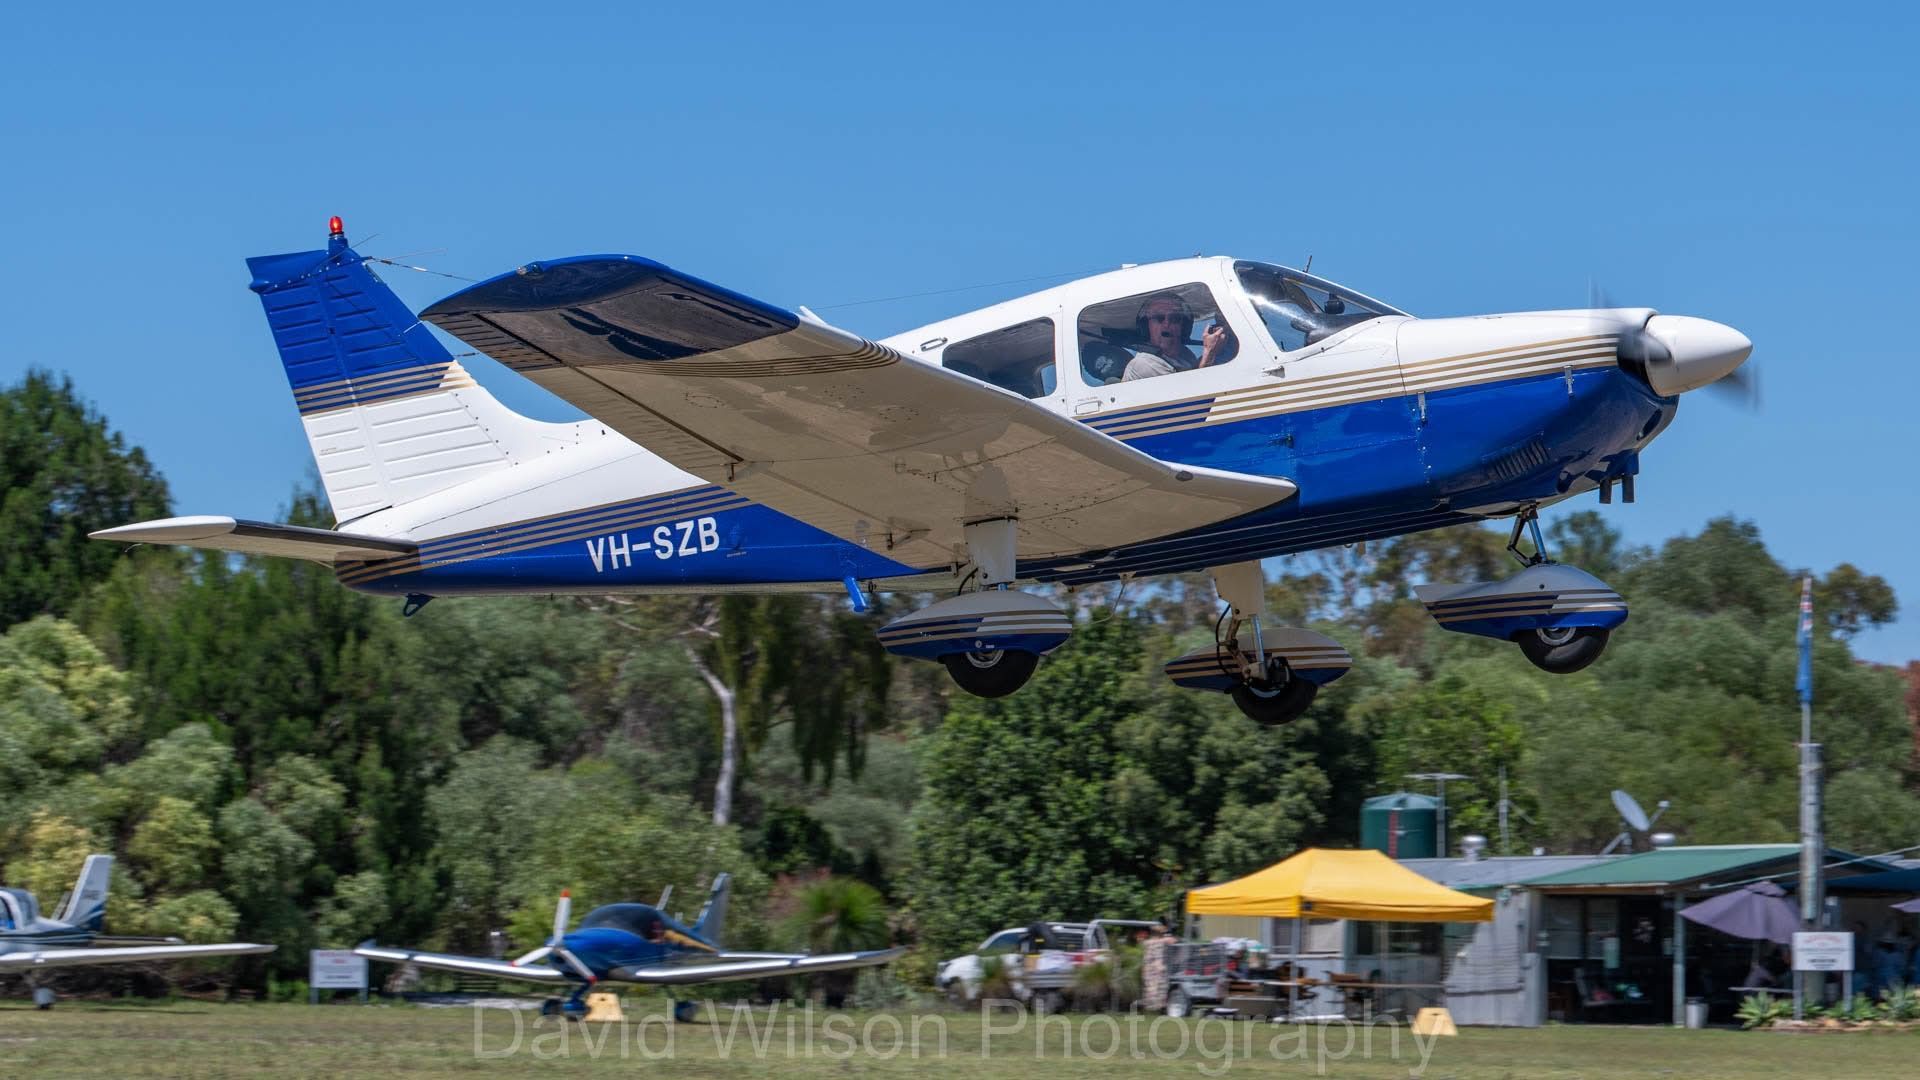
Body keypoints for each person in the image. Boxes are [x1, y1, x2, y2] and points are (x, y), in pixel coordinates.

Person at [1122, 294, 1230, 381]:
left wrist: (1216, 348)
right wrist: (1210, 352)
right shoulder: (1144, 365)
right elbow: (1192, 398)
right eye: (1159, 318)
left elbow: (1194, 374)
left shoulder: (1183, 354)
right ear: (1146, 325)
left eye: (1175, 319)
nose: (1166, 324)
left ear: (1184, 326)